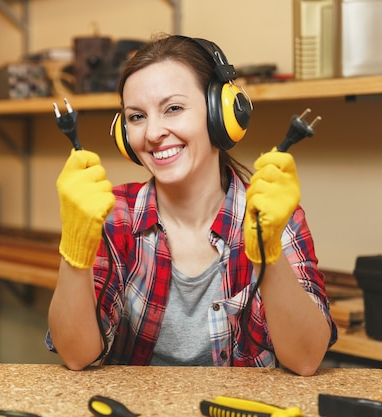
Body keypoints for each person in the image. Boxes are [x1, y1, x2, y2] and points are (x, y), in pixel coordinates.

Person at [46, 34, 337, 376]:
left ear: (222, 113)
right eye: (137, 117)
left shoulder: (275, 213)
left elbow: (305, 359)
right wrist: (75, 247)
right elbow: (77, 355)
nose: (153, 133)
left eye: (173, 108)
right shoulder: (113, 216)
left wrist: (267, 250)